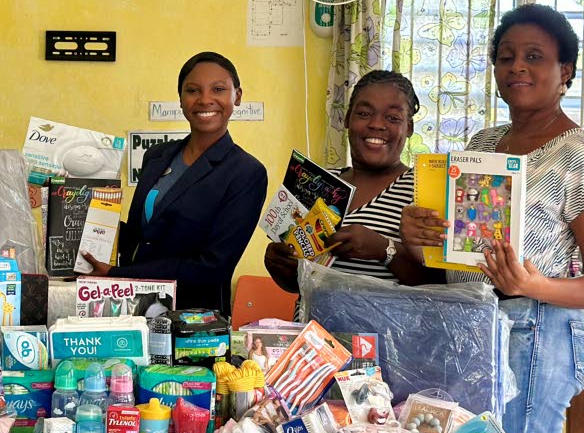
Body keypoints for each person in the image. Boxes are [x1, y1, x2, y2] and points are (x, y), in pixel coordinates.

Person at [400, 4, 584, 433]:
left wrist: (532, 284)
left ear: (565, 70)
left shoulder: (579, 158)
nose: (517, 68)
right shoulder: (481, 145)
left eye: (534, 57)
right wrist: (418, 241)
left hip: (539, 333)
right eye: (506, 57)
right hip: (473, 329)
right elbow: (454, 260)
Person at [80, 51, 267, 312]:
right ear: (181, 99)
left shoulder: (246, 172)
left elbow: (213, 266)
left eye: (218, 89)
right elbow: (140, 238)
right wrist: (76, 209)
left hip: (192, 320)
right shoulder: (157, 156)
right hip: (130, 307)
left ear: (237, 96)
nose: (205, 99)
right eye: (193, 90)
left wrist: (120, 274)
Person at [265, 70, 437, 294]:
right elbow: (298, 285)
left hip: (385, 329)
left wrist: (384, 250)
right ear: (347, 119)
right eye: (364, 113)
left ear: (409, 128)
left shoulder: (423, 192)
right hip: (312, 328)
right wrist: (280, 265)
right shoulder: (316, 182)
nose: (376, 124)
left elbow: (439, 287)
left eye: (393, 118)